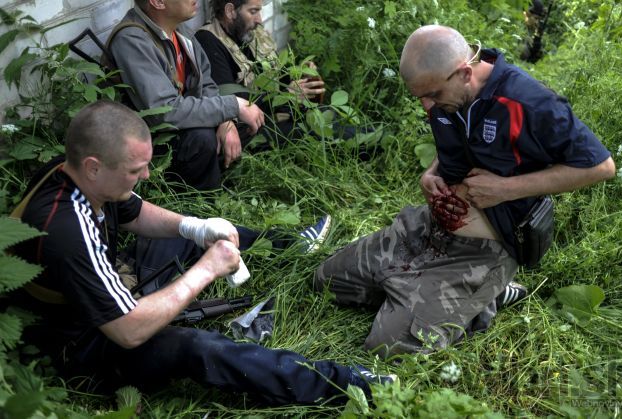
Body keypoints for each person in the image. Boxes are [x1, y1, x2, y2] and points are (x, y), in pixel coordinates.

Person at [11, 100, 393, 405]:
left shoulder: (75, 173)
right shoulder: (67, 230)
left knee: (195, 234)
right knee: (198, 347)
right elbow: (128, 330)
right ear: (94, 167)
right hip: (87, 339)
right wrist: (207, 270)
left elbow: (134, 212)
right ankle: (351, 384)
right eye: (135, 170)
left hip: (106, 291)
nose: (145, 176)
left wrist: (192, 226)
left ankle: (291, 243)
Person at [313, 25, 615, 357]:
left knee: (389, 347)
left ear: (464, 73)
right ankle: (431, 291)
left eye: (434, 95)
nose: (427, 105)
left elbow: (600, 166)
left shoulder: (529, 101)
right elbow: (459, 142)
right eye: (420, 97)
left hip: (484, 250)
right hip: (430, 228)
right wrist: (432, 172)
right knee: (325, 282)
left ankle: (480, 292)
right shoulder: (444, 93)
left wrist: (505, 189)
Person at [106, 0, 266, 190]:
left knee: (253, 119)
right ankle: (203, 205)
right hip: (152, 141)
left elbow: (206, 81)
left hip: (181, 125)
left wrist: (225, 120)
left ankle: (224, 177)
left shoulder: (179, 29)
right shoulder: (132, 40)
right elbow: (164, 111)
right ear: (158, 2)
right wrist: (231, 106)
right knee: (203, 138)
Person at [195, 0, 366, 146]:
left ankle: (376, 138)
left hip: (280, 114)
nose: (260, 20)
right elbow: (230, 102)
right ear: (230, 11)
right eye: (253, 11)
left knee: (333, 117)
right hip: (255, 131)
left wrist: (300, 75)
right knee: (327, 134)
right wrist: (287, 95)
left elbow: (279, 75)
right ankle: (377, 141)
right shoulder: (208, 42)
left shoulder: (251, 32)